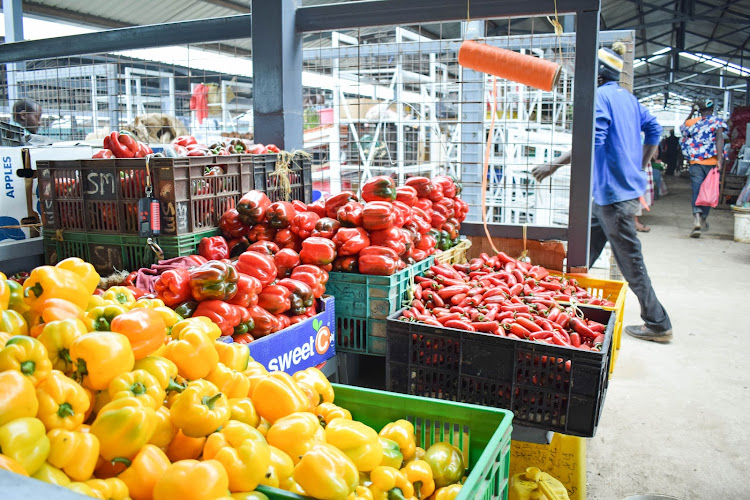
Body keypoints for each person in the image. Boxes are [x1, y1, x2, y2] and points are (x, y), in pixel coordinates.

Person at [532, 42, 673, 343]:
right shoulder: (629, 99)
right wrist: (641, 164)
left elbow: (590, 140)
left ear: (595, 76)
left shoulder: (600, 97)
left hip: (613, 197)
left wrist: (555, 163)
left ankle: (658, 323)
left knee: (630, 262)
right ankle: (560, 306)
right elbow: (655, 129)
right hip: (612, 196)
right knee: (585, 252)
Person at [680, 98, 726, 238]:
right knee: (708, 191)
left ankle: (697, 217)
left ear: (699, 110)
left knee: (697, 189)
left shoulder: (692, 122)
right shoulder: (717, 122)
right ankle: (704, 217)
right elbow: (719, 139)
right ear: (712, 110)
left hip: (695, 162)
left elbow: (682, 129)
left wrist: (691, 113)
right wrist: (719, 160)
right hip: (711, 163)